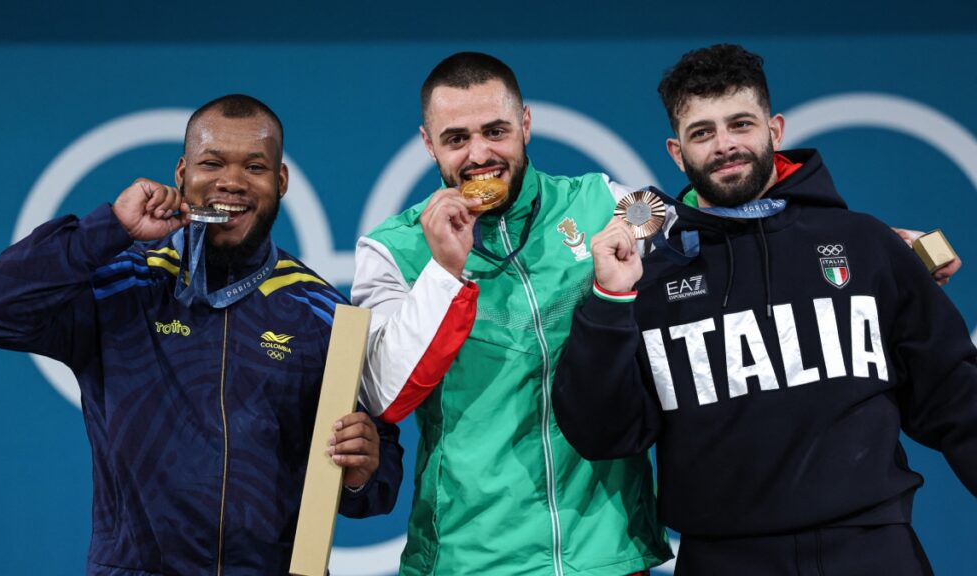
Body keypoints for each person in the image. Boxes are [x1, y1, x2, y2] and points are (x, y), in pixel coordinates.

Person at [552, 44, 977, 575]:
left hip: (871, 551)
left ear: (775, 131)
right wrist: (610, 303)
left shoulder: (866, 245)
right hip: (723, 558)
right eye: (702, 132)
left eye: (740, 124)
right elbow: (603, 434)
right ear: (676, 153)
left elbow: (957, 399)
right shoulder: (651, 280)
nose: (725, 145)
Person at [0, 94, 402, 576]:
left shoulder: (321, 314)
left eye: (254, 167)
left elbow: (376, 483)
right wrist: (109, 228)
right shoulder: (123, 286)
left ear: (280, 182)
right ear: (182, 175)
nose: (231, 182)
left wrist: (366, 471)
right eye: (211, 163)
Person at [351, 52, 671, 575]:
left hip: (605, 552)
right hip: (470, 557)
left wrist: (645, 226)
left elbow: (666, 215)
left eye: (496, 131)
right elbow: (385, 395)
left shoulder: (597, 200)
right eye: (456, 139)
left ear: (525, 125)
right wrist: (443, 272)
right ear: (429, 144)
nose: (480, 155)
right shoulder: (392, 250)